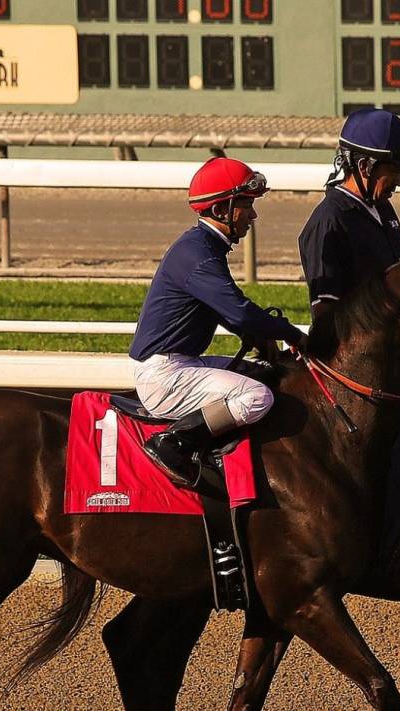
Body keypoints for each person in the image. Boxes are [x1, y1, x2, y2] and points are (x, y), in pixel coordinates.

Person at [297, 108, 400, 598]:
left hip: (395, 355)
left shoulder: (382, 211)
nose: (398, 181)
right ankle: (391, 548)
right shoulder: (328, 221)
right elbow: (326, 316)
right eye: (393, 170)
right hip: (353, 366)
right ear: (363, 167)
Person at [131, 157, 307, 488]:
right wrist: (294, 335)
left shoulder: (203, 247)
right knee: (257, 397)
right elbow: (239, 311)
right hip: (166, 376)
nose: (253, 215)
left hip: (182, 363)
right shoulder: (197, 254)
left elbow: (227, 311)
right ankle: (173, 443)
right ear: (220, 209)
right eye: (246, 206)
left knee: (263, 373)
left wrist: (260, 338)